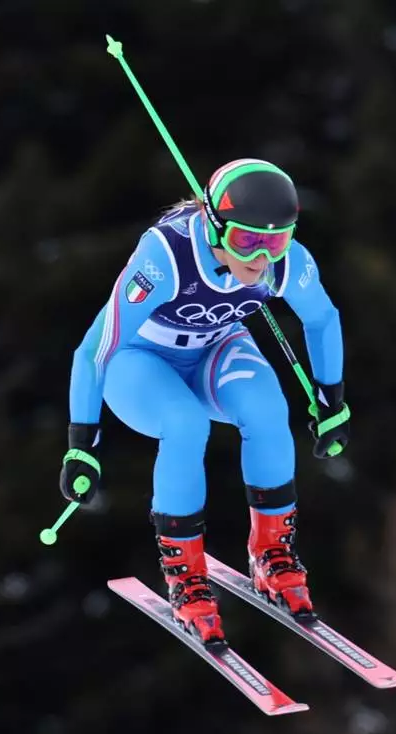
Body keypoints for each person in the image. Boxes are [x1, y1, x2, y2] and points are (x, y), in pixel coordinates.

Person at [59, 158, 350, 650]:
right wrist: (82, 442)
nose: (260, 259)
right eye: (246, 241)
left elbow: (322, 320)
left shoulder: (287, 263)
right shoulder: (165, 257)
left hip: (214, 347)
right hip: (140, 358)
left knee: (266, 408)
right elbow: (96, 348)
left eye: (275, 241)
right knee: (186, 424)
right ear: (217, 225)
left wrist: (332, 402)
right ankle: (185, 578)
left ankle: (272, 555)